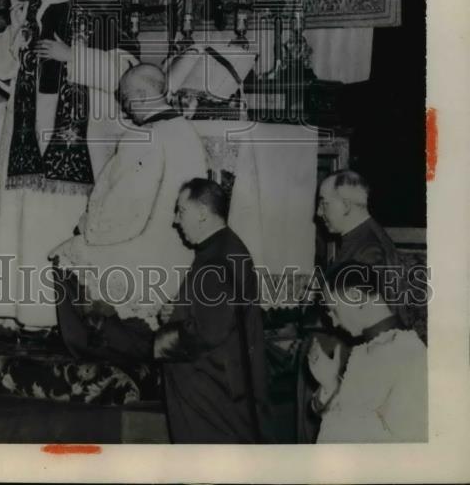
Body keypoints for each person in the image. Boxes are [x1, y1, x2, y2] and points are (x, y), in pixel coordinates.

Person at [0, 0, 137, 329]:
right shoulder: (28, 14)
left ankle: (65, 318)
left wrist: (74, 57)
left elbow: (128, 70)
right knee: (27, 214)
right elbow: (0, 68)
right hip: (28, 124)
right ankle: (25, 313)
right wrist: (13, 30)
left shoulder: (97, 11)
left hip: (81, 134)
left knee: (64, 219)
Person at [51, 64, 208, 340]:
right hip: (183, 255)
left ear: (140, 94)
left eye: (125, 99)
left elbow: (120, 215)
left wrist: (85, 229)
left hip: (149, 255)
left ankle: (101, 347)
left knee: (64, 256)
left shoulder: (142, 136)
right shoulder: (187, 131)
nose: (125, 109)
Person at [154, 178, 272, 443]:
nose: (176, 220)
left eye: (181, 211)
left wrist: (160, 340)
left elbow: (208, 331)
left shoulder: (217, 258)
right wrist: (177, 310)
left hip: (210, 389)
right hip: (219, 383)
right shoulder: (224, 247)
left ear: (203, 213)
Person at [297, 169, 410, 441]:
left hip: (345, 367)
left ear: (346, 205)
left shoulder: (367, 248)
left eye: (324, 202)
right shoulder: (360, 240)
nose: (318, 212)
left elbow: (364, 320)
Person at [309, 263, 427, 442]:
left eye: (333, 310)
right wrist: (329, 383)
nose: (333, 323)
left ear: (356, 297)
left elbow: (407, 439)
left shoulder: (408, 352)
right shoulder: (365, 349)